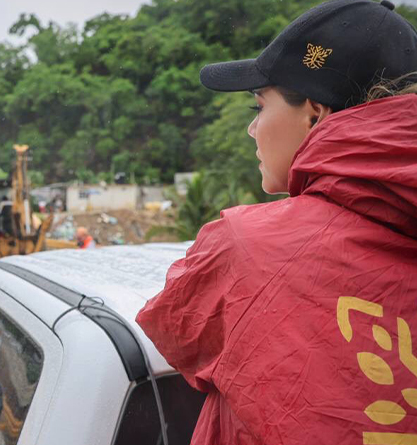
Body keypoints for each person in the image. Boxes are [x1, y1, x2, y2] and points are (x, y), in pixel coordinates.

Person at [135, 1, 417, 443]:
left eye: (257, 107)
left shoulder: (245, 248)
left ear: (313, 113)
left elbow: (175, 331)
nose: (252, 130)